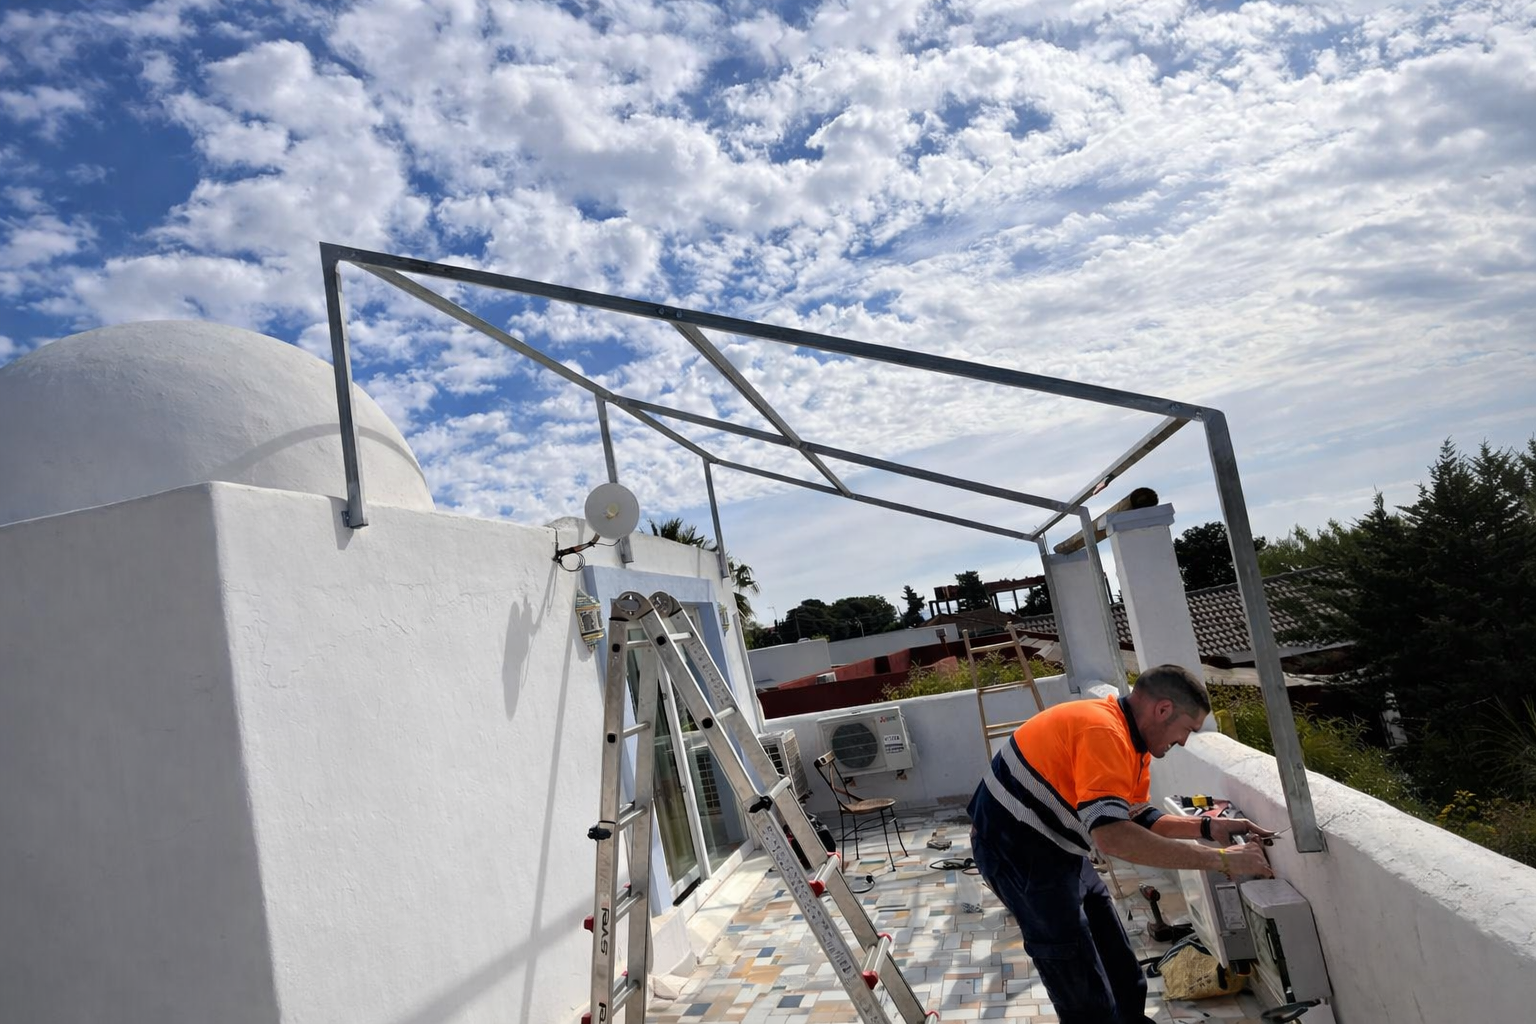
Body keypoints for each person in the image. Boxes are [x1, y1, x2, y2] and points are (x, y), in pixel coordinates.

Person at [967, 663, 1274, 1024]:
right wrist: (1223, 860)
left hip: (1057, 843)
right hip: (1016, 849)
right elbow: (1112, 837)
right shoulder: (1104, 732)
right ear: (1163, 709)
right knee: (1076, 975)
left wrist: (1207, 827)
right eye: (1187, 729)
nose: (1183, 742)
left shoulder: (1132, 742)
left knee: (1122, 969)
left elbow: (1135, 817)